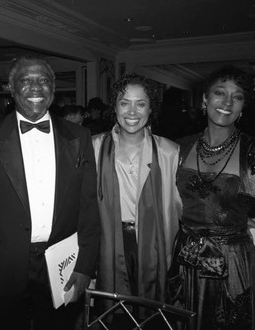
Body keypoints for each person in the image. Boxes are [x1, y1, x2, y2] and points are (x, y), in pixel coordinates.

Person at [0, 55, 100, 330]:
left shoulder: (80, 136)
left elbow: (88, 207)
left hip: (62, 262)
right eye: (25, 81)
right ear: (12, 88)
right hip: (4, 262)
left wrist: (85, 266)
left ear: (53, 88)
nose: (36, 88)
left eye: (43, 80)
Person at [169, 65, 255, 329]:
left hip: (232, 265)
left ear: (243, 106)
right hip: (185, 259)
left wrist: (247, 240)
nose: (227, 102)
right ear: (204, 100)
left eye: (237, 97)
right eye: (219, 93)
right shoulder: (178, 148)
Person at [92, 74, 181, 325]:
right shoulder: (95, 147)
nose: (132, 111)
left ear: (151, 108)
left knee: (150, 317)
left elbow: (186, 206)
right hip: (108, 243)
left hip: (153, 245)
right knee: (115, 317)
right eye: (124, 103)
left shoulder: (169, 152)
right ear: (115, 107)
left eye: (140, 104)